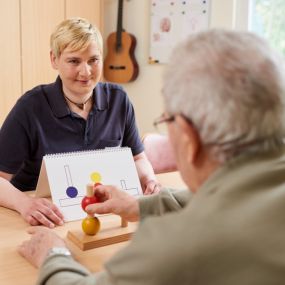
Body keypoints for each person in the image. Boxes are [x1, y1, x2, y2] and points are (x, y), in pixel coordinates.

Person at [18, 29, 285, 284]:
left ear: (189, 139)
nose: (84, 71)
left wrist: (54, 255)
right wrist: (140, 206)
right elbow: (232, 196)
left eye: (167, 120)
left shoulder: (174, 247)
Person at [0, 17, 160, 229]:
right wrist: (25, 204)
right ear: (54, 59)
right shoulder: (30, 107)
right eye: (74, 61)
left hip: (101, 214)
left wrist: (149, 179)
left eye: (93, 60)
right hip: (45, 217)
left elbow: (138, 157)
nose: (86, 72)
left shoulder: (119, 100)